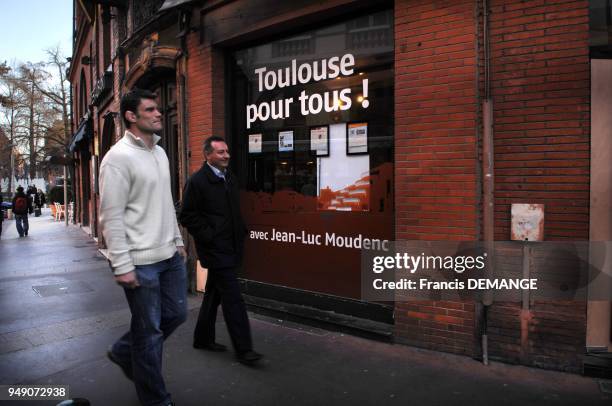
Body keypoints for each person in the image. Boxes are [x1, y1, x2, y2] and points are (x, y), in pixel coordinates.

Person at [99, 88, 187, 406]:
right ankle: (156, 400)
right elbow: (111, 216)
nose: (158, 113)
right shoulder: (117, 159)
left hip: (169, 256)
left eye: (158, 109)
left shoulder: (160, 152)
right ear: (131, 116)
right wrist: (121, 264)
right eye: (150, 110)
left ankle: (124, 350)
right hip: (140, 262)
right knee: (149, 334)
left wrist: (177, 239)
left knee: (176, 314)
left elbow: (163, 202)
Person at [180, 135, 262, 365]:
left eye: (227, 151)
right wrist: (209, 235)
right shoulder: (197, 182)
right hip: (216, 249)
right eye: (220, 152)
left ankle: (202, 338)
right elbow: (187, 215)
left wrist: (241, 230)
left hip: (231, 245)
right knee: (233, 298)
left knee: (214, 294)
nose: (226, 155)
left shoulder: (229, 177)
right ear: (208, 155)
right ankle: (244, 349)